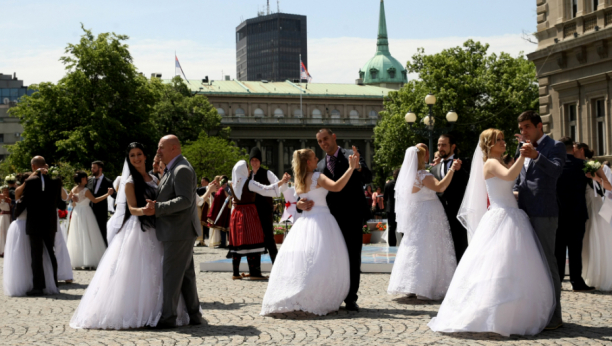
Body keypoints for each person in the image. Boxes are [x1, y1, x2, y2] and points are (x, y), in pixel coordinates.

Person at [70, 142, 218, 329]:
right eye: (132, 155)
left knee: (167, 273)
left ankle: (170, 312)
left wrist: (155, 210)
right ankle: (149, 313)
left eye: (139, 154)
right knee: (142, 273)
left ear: (145, 156)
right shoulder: (130, 182)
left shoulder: (156, 178)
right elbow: (131, 209)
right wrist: (146, 211)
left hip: (160, 228)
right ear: (129, 159)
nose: (136, 158)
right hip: (140, 229)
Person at [429, 129, 556, 336]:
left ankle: (514, 311)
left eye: (504, 139)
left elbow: (506, 184)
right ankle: (493, 314)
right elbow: (509, 175)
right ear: (489, 144)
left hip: (512, 214)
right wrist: (523, 155)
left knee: (512, 266)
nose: (503, 143)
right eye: (499, 140)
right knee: (497, 266)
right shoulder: (491, 163)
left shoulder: (499, 162)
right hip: (502, 216)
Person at [261, 148, 359, 315]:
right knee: (324, 259)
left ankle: (302, 291)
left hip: (305, 222)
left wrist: (299, 204)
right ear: (308, 162)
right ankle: (317, 294)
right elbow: (336, 187)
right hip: (322, 219)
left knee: (306, 260)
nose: (317, 159)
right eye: (314, 157)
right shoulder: (317, 177)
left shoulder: (300, 179)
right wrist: (351, 168)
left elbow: (299, 199)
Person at [297, 129, 372, 312]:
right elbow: (305, 190)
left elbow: (368, 176)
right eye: (320, 141)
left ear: (334, 137)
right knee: (332, 258)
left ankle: (351, 298)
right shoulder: (319, 165)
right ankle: (333, 294)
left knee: (353, 256)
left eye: (326, 139)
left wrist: (358, 166)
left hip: (352, 215)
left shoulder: (351, 155)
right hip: (328, 219)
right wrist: (300, 203)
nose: (323, 143)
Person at [142, 135, 204, 329]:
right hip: (180, 231)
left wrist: (158, 208)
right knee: (186, 276)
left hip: (178, 232)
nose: (158, 151)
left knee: (171, 275)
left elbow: (185, 200)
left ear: (174, 148)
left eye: (161, 147)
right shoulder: (174, 168)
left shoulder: (182, 169)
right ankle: (194, 315)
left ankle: (168, 318)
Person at [512, 111, 565, 330]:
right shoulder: (522, 147)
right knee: (529, 265)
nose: (523, 131)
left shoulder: (555, 146)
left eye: (527, 127)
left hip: (544, 213)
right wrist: (515, 190)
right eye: (521, 127)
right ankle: (535, 312)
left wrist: (536, 156)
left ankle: (555, 316)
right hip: (522, 212)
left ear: (539, 126)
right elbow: (519, 176)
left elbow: (556, 171)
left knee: (547, 262)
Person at [388, 147, 457, 299]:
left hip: (417, 214)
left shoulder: (409, 177)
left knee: (416, 247)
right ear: (422, 156)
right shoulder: (423, 175)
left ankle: (412, 284)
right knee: (432, 246)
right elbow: (440, 187)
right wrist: (451, 169)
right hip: (430, 213)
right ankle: (428, 286)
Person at [228, 160, 289, 280]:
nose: (249, 170)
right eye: (247, 167)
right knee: (253, 240)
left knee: (237, 242)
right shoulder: (249, 183)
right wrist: (281, 182)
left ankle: (235, 273)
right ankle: (255, 273)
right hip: (249, 213)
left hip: (237, 214)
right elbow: (265, 189)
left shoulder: (232, 184)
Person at [19, 156, 67, 296]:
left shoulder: (30, 181)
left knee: (37, 255)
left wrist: (17, 214)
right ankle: (54, 284)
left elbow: (24, 201)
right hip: (50, 222)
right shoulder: (56, 180)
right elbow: (61, 203)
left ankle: (38, 287)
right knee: (51, 253)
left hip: (34, 223)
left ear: (33, 167)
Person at [554, 137, 595, 291]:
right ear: (573, 148)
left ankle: (557, 281)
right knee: (575, 250)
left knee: (558, 250)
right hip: (577, 212)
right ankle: (577, 281)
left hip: (558, 212)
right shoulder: (583, 165)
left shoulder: (555, 166)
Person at [575, 142, 612, 291]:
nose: (572, 151)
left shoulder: (594, 165)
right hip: (583, 206)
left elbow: (609, 186)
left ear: (581, 150)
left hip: (595, 206)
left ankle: (601, 276)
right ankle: (587, 275)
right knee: (585, 241)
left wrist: (595, 178)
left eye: (575, 149)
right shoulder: (575, 165)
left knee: (596, 237)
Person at [430, 134, 469, 263]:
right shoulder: (433, 169)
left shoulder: (464, 162)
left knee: (461, 249)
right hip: (440, 216)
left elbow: (472, 184)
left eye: (444, 145)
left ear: (453, 146)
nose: (441, 148)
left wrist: (461, 170)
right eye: (439, 145)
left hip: (458, 215)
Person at [67, 171, 112, 269]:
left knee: (78, 235)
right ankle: (90, 261)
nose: (86, 179)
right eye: (84, 178)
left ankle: (78, 261)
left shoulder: (73, 189)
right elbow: (95, 200)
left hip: (77, 213)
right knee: (88, 235)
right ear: (80, 179)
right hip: (86, 212)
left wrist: (72, 200)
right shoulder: (86, 190)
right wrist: (107, 194)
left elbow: (70, 201)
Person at [249, 147, 281, 263]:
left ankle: (276, 265)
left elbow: (278, 185)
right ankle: (255, 269)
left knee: (269, 237)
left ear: (260, 161)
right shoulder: (248, 175)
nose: (254, 162)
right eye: (252, 160)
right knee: (254, 238)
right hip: (252, 211)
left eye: (256, 160)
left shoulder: (267, 173)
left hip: (266, 209)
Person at [87, 161, 116, 247]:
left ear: (100, 169)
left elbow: (115, 195)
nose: (92, 169)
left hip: (101, 213)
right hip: (89, 211)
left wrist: (112, 193)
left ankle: (104, 253)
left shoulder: (108, 182)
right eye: (92, 167)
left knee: (102, 233)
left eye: (94, 168)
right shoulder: (89, 180)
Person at [207, 176, 231, 248]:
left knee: (224, 227)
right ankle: (224, 243)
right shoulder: (222, 189)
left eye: (221, 180)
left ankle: (227, 243)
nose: (220, 182)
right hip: (221, 210)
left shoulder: (226, 189)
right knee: (223, 228)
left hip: (224, 210)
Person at [383, 169, 399, 246]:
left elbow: (385, 197)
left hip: (390, 208)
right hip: (400, 208)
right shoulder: (402, 184)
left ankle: (392, 245)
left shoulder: (388, 184)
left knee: (391, 228)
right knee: (403, 228)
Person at [195, 177, 211, 247]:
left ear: (207, 182)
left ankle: (202, 241)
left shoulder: (207, 189)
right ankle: (201, 240)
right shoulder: (201, 189)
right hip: (200, 208)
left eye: (203, 181)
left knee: (203, 225)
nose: (202, 183)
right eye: (201, 181)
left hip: (205, 209)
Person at [0, 186, 11, 257]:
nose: (6, 192)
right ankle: (2, 250)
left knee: (8, 233)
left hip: (9, 217)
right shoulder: (1, 198)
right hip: (3, 217)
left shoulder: (10, 198)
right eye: (4, 191)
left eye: (7, 190)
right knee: (3, 233)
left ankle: (8, 249)